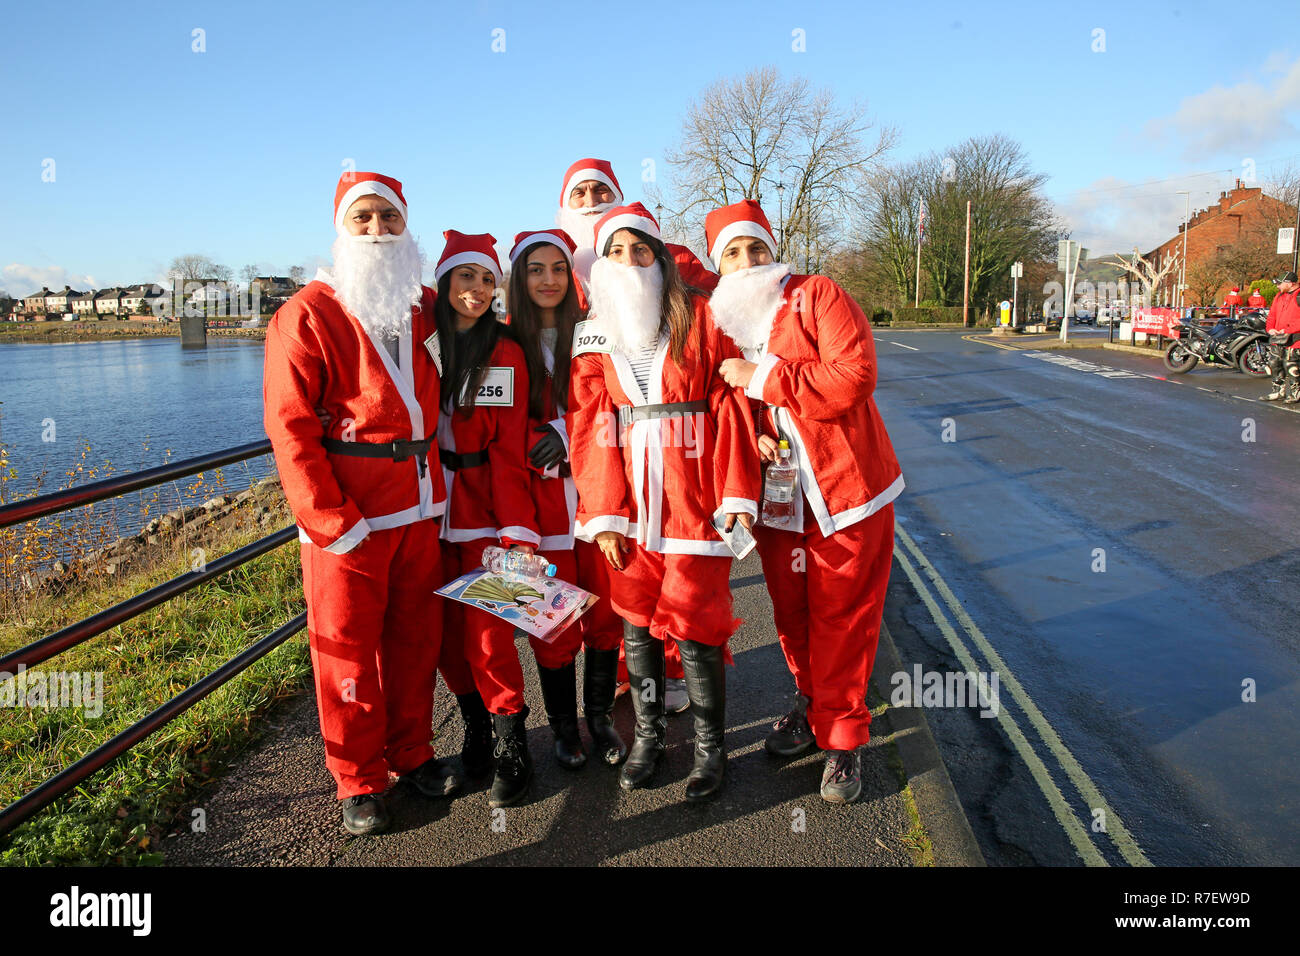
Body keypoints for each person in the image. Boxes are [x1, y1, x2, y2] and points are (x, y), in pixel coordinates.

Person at [263, 171, 460, 836]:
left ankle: (413, 752)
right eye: (364, 218)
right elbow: (290, 428)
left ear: (408, 227)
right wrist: (328, 520)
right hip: (349, 523)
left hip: (420, 511)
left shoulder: (424, 307)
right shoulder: (307, 315)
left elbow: (497, 318)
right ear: (341, 229)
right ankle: (358, 778)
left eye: (390, 218)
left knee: (414, 643)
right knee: (344, 653)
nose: (378, 230)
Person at [707, 199, 904, 804]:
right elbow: (727, 399)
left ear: (774, 249)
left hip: (848, 494)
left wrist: (764, 380)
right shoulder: (724, 319)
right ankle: (810, 705)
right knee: (793, 617)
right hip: (780, 503)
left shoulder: (818, 295)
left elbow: (854, 376)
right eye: (732, 254)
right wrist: (757, 430)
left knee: (843, 619)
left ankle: (843, 742)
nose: (747, 263)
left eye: (756, 249)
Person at [568, 202, 760, 800]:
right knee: (637, 629)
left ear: (659, 259)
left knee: (700, 627)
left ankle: (710, 750)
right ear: (602, 265)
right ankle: (648, 737)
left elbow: (730, 407)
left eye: (641, 251)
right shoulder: (593, 332)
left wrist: (735, 493)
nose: (629, 262)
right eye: (616, 253)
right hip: (630, 510)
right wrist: (602, 515)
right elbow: (589, 420)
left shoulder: (702, 316)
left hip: (695, 499)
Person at [556, 158, 715, 713]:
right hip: (604, 462)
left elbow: (730, 325)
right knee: (623, 591)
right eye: (580, 193)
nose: (592, 199)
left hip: (685, 465)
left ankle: (683, 696)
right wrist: (601, 510)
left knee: (690, 591)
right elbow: (589, 412)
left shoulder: (683, 286)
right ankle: (633, 688)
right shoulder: (557, 270)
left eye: (602, 190)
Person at [504, 228, 627, 769]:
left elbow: (625, 402)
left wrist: (566, 428)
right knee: (548, 621)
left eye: (558, 268)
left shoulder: (598, 332)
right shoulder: (502, 341)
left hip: (600, 496)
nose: (549, 279)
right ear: (518, 279)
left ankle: (598, 718)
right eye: (535, 270)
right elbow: (494, 430)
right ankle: (562, 728)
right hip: (532, 504)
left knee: (605, 613)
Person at [431, 230, 541, 808]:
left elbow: (507, 449)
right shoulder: (424, 343)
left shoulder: (505, 352)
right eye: (465, 277)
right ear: (445, 281)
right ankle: (473, 726)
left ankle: (510, 740)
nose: (476, 289)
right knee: (446, 639)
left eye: (486, 279)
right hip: (426, 509)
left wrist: (516, 533)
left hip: (482, 511)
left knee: (490, 635)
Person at [1263, 271, 1300, 402]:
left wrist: (1288, 329)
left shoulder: (1298, 295)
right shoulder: (1279, 296)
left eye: (1280, 283)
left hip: (1295, 338)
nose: (1278, 286)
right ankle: (1278, 391)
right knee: (1275, 363)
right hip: (1278, 338)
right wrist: (1270, 329)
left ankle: (1296, 393)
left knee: (1291, 365)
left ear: (1290, 284)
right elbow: (1272, 314)